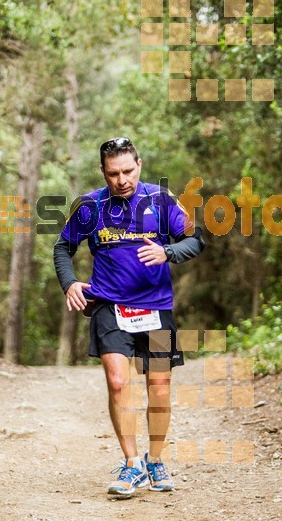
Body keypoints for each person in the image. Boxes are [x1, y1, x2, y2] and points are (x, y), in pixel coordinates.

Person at [53, 137, 204, 498]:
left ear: (140, 164)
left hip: (155, 307)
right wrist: (70, 282)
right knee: (119, 383)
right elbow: (62, 247)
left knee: (159, 386)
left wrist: (168, 251)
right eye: (113, 173)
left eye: (128, 171)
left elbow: (196, 239)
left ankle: (155, 460)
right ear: (103, 172)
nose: (121, 180)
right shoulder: (90, 206)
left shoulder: (161, 200)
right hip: (109, 306)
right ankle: (132, 464)